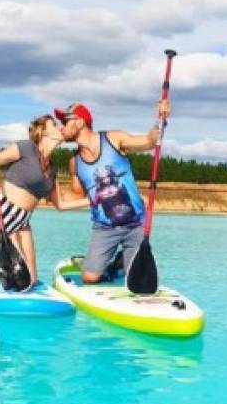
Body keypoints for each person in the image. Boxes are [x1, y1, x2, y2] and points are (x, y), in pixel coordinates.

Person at [54, 99, 171, 283]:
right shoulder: (74, 162)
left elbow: (149, 141)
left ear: (80, 122)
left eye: (65, 122)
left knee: (135, 277)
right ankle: (109, 264)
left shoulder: (114, 138)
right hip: (104, 228)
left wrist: (160, 120)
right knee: (89, 278)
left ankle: (119, 262)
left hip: (136, 224)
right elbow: (77, 195)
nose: (61, 127)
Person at [0, 114, 89, 284]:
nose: (60, 127)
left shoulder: (52, 168)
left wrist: (94, 200)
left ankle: (2, 264)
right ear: (43, 132)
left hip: (20, 223)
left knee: (31, 280)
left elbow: (61, 204)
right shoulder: (26, 148)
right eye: (54, 125)